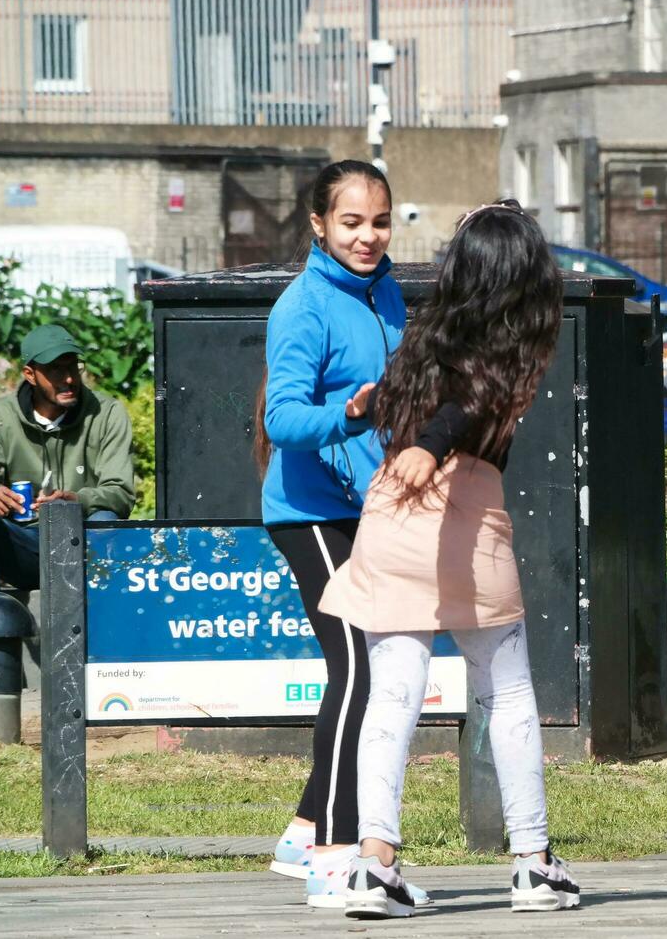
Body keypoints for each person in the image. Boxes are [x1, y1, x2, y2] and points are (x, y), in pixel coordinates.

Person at [315, 200, 578, 918]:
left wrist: (409, 440)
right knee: (508, 690)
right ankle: (533, 864)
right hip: (465, 517)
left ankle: (375, 866)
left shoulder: (424, 335)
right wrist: (431, 449)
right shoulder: (520, 346)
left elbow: (444, 401)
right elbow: (464, 407)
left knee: (391, 693)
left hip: (394, 516)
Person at [254, 160, 429, 911]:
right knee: (359, 668)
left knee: (372, 669)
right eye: (351, 222)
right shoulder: (303, 307)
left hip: (370, 508)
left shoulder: (385, 291)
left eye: (380, 221)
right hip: (310, 512)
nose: (368, 235)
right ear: (319, 226)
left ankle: (303, 831)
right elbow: (281, 419)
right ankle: (333, 852)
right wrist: (350, 418)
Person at [0, 324, 134, 594]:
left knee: (105, 519)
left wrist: (77, 500)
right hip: (22, 544)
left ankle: (106, 622)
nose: (69, 379)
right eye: (55, 370)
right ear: (30, 374)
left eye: (73, 367)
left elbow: (120, 492)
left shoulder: (106, 413)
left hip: (83, 542)